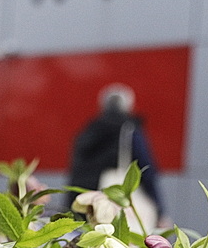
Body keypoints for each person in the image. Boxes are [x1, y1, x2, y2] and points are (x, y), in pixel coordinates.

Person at [67, 83, 164, 218]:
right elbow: (146, 170)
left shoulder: (88, 130)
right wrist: (160, 209)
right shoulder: (129, 130)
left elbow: (75, 170)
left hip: (82, 204)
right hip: (110, 206)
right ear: (129, 106)